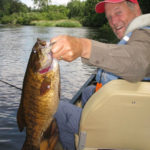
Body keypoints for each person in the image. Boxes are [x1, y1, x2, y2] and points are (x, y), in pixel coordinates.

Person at [51, 0, 150, 150]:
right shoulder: (136, 34)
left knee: (56, 109)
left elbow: (137, 63)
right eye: (109, 17)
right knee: (87, 91)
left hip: (119, 129)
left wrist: (83, 47)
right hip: (129, 114)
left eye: (118, 12)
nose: (113, 21)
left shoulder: (145, 34)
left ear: (136, 9)